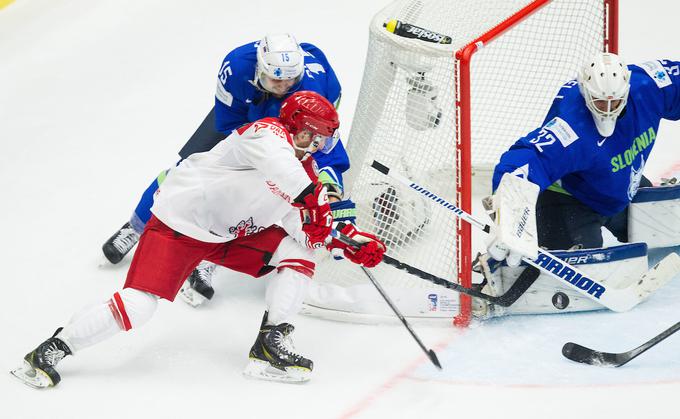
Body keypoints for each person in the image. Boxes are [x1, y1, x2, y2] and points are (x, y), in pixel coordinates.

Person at [11, 91, 386, 388]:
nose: (318, 146)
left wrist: (345, 241)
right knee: (139, 307)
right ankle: (52, 349)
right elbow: (286, 175)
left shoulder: (305, 169)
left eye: (323, 141)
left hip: (230, 233)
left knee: (299, 254)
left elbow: (303, 223)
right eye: (314, 137)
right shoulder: (266, 134)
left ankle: (269, 346)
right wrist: (313, 205)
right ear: (297, 127)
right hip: (179, 225)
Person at [101, 33, 351, 306]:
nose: (282, 86)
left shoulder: (314, 91)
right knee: (188, 170)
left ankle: (208, 255)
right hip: (246, 119)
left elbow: (324, 152)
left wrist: (332, 201)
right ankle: (136, 226)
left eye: (289, 80)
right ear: (260, 70)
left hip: (292, 125)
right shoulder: (237, 67)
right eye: (275, 80)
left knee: (250, 193)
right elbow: (228, 125)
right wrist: (249, 157)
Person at [486, 53, 680, 262]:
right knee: (580, 266)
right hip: (570, 198)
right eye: (599, 102)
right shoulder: (570, 128)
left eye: (614, 103)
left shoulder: (649, 87)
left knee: (666, 225)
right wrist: (509, 215)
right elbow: (525, 160)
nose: (607, 110)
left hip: (618, 183)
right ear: (585, 92)